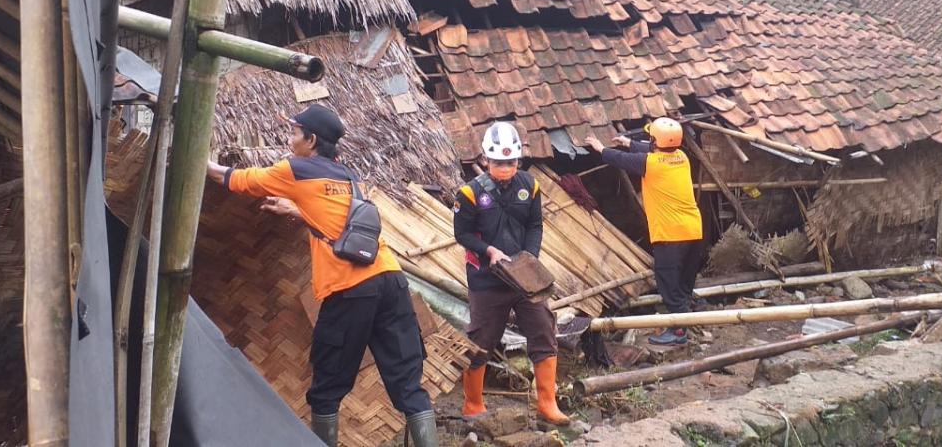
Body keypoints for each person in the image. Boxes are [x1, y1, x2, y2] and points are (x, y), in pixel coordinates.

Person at [206, 104, 437, 447]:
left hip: (349, 290)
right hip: (390, 279)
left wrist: (200, 162)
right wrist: (298, 211)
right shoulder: (347, 176)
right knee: (408, 387)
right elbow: (341, 224)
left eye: (294, 133)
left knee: (326, 389)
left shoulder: (295, 169)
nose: (289, 140)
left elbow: (238, 180)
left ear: (311, 140)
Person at [453, 122, 570, 425]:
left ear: (518, 159)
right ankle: (473, 404)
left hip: (524, 278)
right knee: (481, 338)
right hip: (486, 278)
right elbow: (462, 234)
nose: (505, 168)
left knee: (543, 328)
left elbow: (535, 225)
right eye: (499, 163)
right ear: (486, 160)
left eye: (510, 162)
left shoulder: (529, 186)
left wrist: (530, 256)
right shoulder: (469, 194)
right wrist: (489, 250)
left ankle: (547, 403)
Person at [585, 118, 704, 346]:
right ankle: (686, 316)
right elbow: (650, 152)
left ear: (655, 141)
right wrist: (628, 142)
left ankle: (679, 332)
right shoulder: (682, 157)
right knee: (683, 281)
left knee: (667, 281)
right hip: (694, 230)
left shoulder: (651, 164)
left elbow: (622, 159)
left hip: (670, 234)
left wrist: (601, 149)